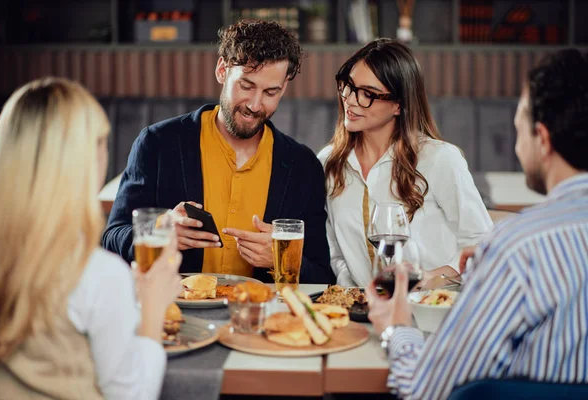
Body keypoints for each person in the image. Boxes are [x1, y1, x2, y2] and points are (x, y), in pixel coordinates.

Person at [367, 48, 588, 399]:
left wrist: (398, 329)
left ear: (542, 140)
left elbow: (427, 390)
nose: (517, 146)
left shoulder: (518, 248)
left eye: (518, 128)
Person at [0, 78, 182, 399]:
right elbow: (132, 395)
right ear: (86, 159)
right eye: (102, 143)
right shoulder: (97, 273)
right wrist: (152, 309)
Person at [103, 20, 334, 284]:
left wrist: (281, 258)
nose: (256, 105)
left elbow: (322, 274)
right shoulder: (157, 144)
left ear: (284, 87)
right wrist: (159, 234)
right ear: (222, 70)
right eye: (246, 86)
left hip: (263, 319)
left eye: (271, 92)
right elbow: (112, 239)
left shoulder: (303, 167)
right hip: (172, 313)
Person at [317, 38, 492, 287]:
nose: (351, 99)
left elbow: (483, 245)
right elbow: (334, 252)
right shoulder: (328, 163)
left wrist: (433, 277)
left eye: (368, 94)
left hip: (433, 312)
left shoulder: (440, 159)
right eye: (348, 86)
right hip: (363, 313)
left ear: (398, 105)